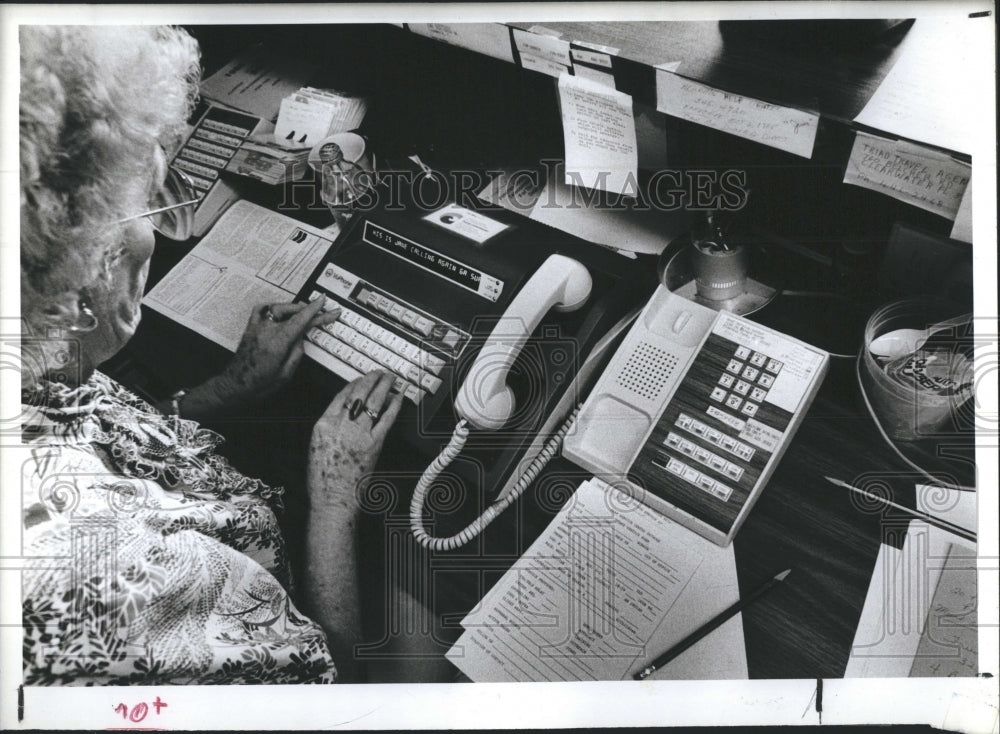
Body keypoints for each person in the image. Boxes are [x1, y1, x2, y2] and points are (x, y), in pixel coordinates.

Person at [18, 25, 414, 684]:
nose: (152, 229)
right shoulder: (127, 580)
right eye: (142, 203)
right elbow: (330, 690)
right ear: (80, 271)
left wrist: (229, 389)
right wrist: (334, 505)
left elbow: (102, 442)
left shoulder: (35, 363)